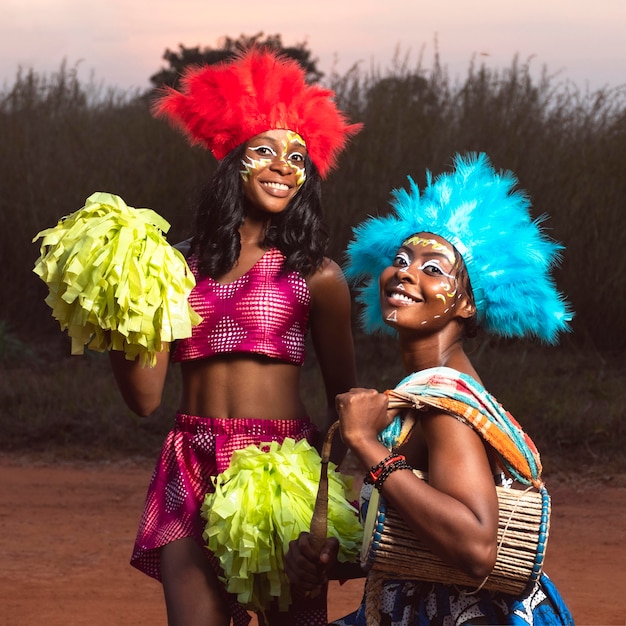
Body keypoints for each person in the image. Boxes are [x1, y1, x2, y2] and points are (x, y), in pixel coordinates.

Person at [108, 48, 361, 626]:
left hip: (279, 468)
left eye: (298, 156)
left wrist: (324, 504)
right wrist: (114, 315)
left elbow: (346, 404)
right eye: (266, 150)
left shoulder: (316, 276)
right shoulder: (174, 269)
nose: (284, 166)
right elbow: (144, 398)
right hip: (188, 460)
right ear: (233, 161)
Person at [285, 153, 575, 625]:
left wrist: (364, 444)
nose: (405, 271)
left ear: (466, 304)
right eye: (401, 260)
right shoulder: (422, 390)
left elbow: (478, 547)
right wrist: (336, 559)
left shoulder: (445, 403)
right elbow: (423, 529)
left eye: (433, 269)